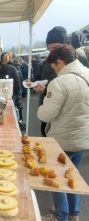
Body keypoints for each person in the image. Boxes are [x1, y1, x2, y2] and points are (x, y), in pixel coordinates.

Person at [37, 44, 89, 221]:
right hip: (82, 137)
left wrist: (44, 98)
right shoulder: (87, 73)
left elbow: (46, 114)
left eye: (54, 67)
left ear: (60, 61)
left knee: (57, 179)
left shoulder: (59, 82)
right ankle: (73, 213)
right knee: (72, 175)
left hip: (62, 140)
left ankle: (61, 215)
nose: (54, 71)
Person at [33, 26, 89, 136]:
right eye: (50, 48)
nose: (53, 51)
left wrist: (46, 91)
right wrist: (36, 84)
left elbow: (78, 88)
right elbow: (45, 78)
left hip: (69, 114)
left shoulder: (77, 59)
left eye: (56, 47)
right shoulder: (48, 60)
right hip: (49, 104)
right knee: (46, 134)